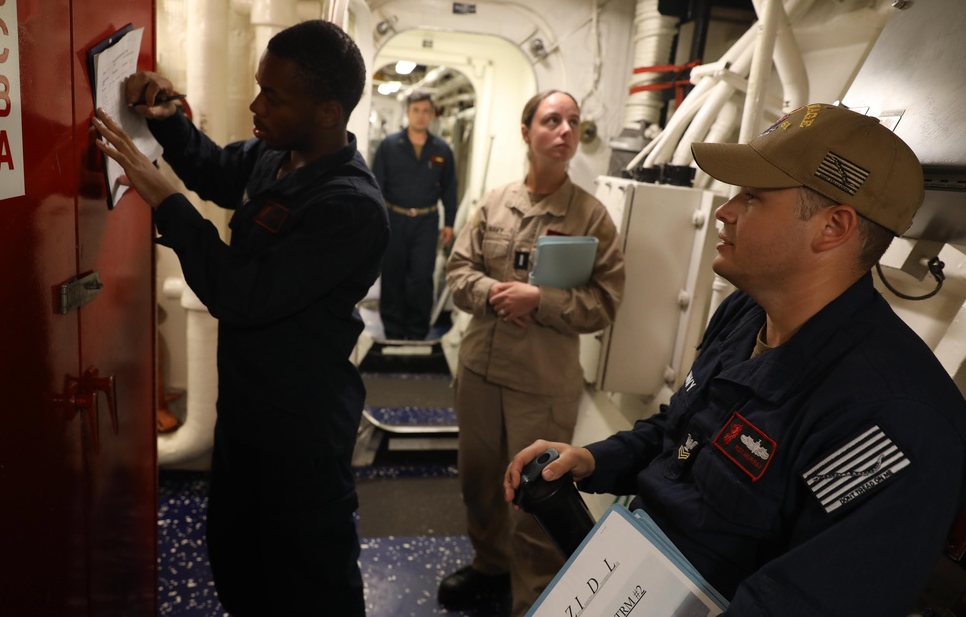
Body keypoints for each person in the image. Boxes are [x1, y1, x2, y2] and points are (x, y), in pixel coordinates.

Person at [505, 103, 966, 616]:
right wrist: (595, 459)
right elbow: (683, 433)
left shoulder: (896, 418)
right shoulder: (746, 312)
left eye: (752, 197)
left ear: (832, 227)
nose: (725, 210)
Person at [92, 20, 388, 616]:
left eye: (273, 96)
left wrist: (169, 203)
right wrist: (168, 118)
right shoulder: (277, 156)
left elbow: (244, 294)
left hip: (301, 433)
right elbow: (215, 169)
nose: (256, 105)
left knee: (308, 584)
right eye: (260, 87)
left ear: (329, 111)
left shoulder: (350, 208)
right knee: (238, 564)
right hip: (248, 415)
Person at [439, 90, 626, 616]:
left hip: (541, 384)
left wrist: (541, 300)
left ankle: (534, 602)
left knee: (536, 502)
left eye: (573, 121)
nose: (565, 130)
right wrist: (493, 293)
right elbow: (458, 273)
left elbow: (605, 304)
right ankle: (490, 567)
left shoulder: (591, 218)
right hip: (479, 370)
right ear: (527, 134)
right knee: (478, 482)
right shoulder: (495, 203)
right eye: (551, 120)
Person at [372, 90, 458, 340]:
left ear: (431, 115)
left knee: (421, 278)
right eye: (416, 111)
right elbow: (376, 185)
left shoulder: (442, 149)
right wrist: (377, 221)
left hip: (426, 222)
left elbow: (450, 189)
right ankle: (393, 331)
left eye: (425, 111)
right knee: (392, 276)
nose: (420, 116)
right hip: (394, 219)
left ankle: (418, 332)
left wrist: (450, 223)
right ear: (408, 113)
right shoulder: (390, 146)